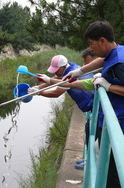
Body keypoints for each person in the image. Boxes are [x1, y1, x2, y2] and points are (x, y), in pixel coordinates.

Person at [64, 20, 124, 188]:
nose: (91, 49)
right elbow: (103, 60)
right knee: (102, 161)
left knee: (113, 174)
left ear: (102, 41)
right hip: (109, 120)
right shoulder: (116, 51)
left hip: (119, 125)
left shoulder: (120, 63)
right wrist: (80, 71)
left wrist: (109, 86)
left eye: (91, 43)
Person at [28, 54, 94, 113]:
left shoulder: (70, 75)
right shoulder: (71, 66)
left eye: (56, 70)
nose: (55, 72)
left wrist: (39, 92)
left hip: (91, 102)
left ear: (63, 66)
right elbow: (56, 79)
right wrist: (39, 87)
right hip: (92, 97)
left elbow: (56, 93)